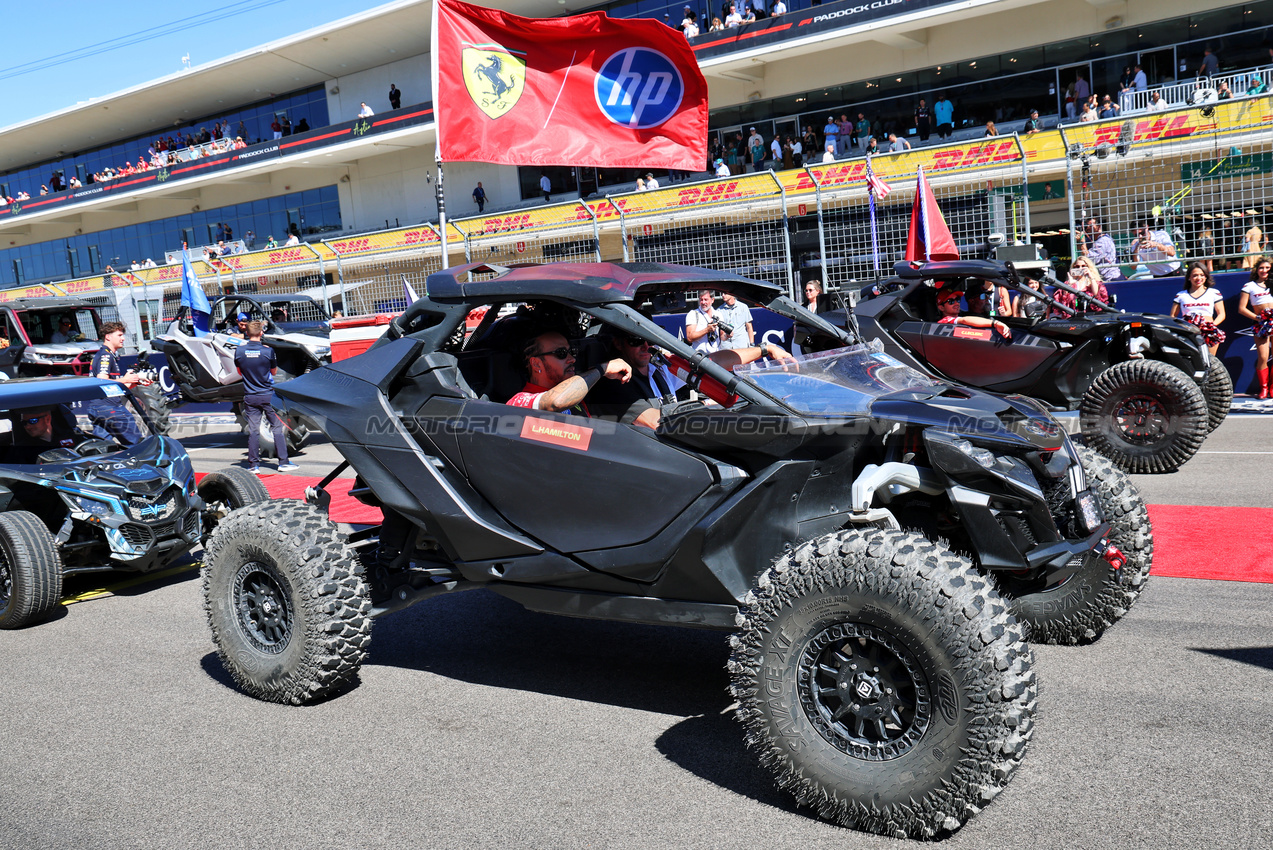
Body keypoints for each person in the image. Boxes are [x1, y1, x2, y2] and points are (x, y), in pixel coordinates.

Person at [507, 327, 631, 415]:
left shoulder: (575, 397)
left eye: (572, 352)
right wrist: (602, 369)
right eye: (561, 353)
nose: (572, 359)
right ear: (536, 364)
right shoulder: (520, 401)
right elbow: (556, 402)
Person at [233, 321, 297, 472]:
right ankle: (283, 462)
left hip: (250, 395)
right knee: (277, 427)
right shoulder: (268, 351)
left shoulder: (239, 351)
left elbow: (239, 372)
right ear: (261, 333)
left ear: (247, 334)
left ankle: (254, 465)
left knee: (254, 430)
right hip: (267, 395)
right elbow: (274, 372)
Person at [87, 321, 147, 447]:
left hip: (98, 408)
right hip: (110, 408)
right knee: (137, 445)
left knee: (102, 448)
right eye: (119, 335)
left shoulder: (106, 355)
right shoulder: (106, 356)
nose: (123, 338)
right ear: (108, 337)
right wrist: (124, 380)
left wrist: (135, 382)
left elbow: (112, 386)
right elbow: (101, 381)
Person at [1171, 262, 1227, 355]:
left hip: (1208, 332)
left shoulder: (1214, 293)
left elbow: (1221, 314)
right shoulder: (1181, 295)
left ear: (1206, 276)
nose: (1199, 278)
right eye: (1195, 275)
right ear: (1189, 277)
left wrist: (1211, 326)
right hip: (1188, 333)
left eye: (1202, 275)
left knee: (1210, 362)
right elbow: (1173, 316)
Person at [1238, 256, 1273, 398]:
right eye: (1261, 268)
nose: (1264, 270)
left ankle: (1272, 388)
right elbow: (1241, 308)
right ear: (1257, 270)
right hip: (1261, 323)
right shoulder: (1249, 286)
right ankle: (1263, 388)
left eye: (1267, 268)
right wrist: (1258, 317)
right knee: (1263, 357)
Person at [936, 289, 1011, 338]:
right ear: (941, 308)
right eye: (951, 301)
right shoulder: (944, 321)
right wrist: (995, 323)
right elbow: (964, 320)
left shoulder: (963, 315)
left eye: (957, 299)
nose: (956, 303)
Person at [1083, 217, 1122, 281]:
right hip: (1102, 278)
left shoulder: (1103, 240)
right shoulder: (1091, 239)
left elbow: (1091, 259)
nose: (1088, 228)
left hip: (1111, 278)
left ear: (1099, 226)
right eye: (1086, 226)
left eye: (1090, 225)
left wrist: (1082, 243)